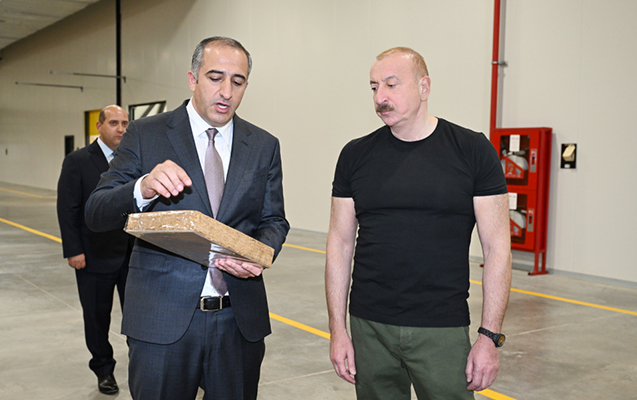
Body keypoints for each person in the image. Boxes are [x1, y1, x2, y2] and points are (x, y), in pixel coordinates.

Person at [85, 36, 289, 400]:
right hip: (161, 321)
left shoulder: (263, 145)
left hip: (238, 321)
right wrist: (142, 187)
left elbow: (274, 219)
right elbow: (97, 211)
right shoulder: (146, 134)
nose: (226, 91)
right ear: (193, 79)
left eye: (238, 81)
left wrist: (258, 253)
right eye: (215, 77)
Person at [325, 47, 512, 399]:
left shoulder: (472, 150)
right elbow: (339, 243)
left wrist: (489, 337)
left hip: (442, 327)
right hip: (369, 326)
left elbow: (497, 248)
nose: (380, 97)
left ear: (424, 87)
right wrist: (338, 329)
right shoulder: (354, 155)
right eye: (374, 87)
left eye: (391, 84)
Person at [56, 105, 134, 395]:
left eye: (125, 123)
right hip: (94, 255)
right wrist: (73, 250)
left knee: (138, 315)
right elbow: (68, 208)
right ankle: (103, 369)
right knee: (97, 317)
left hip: (132, 254)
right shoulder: (77, 161)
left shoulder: (133, 158)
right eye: (114, 123)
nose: (120, 128)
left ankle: (141, 364)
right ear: (99, 126)